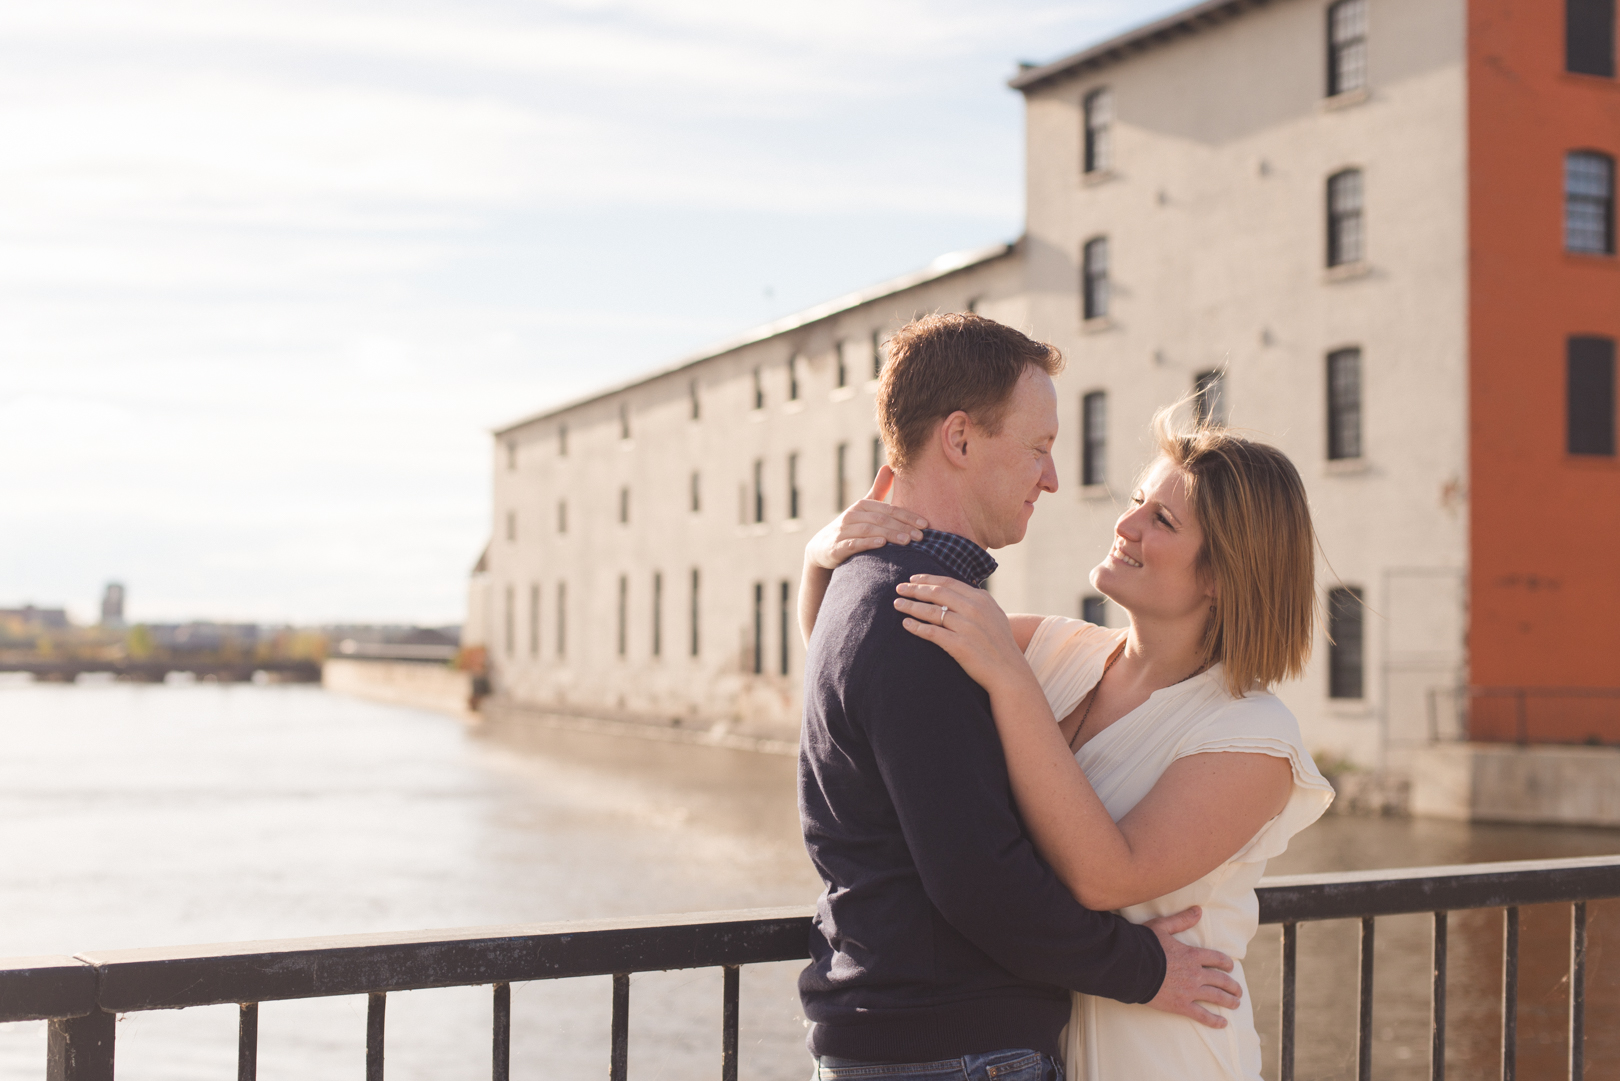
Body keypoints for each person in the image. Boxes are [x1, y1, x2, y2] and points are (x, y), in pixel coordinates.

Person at [802, 403, 1335, 1079]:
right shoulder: (1056, 648)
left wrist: (1012, 683)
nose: (1125, 523)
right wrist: (823, 555)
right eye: (1139, 500)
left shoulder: (1253, 735)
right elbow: (872, 663)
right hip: (1034, 1052)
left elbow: (1105, 874)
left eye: (1161, 519)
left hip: (1165, 1052)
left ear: (1223, 575)